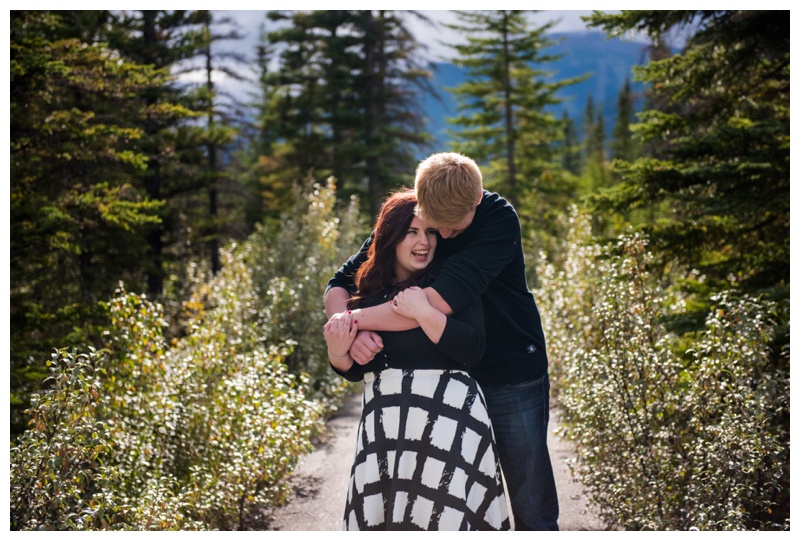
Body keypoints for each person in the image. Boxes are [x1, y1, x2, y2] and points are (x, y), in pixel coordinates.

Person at [324, 152, 559, 530]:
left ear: (477, 200)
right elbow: (340, 283)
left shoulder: (498, 219)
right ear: (420, 200)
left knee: (531, 503)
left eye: (454, 226)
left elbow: (429, 304)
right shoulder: (419, 212)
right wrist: (349, 329)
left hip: (510, 371)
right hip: (449, 376)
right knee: (452, 498)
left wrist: (355, 320)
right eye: (435, 225)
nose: (443, 236)